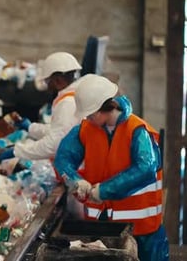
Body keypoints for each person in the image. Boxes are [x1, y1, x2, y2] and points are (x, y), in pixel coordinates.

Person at [54, 74, 169, 261]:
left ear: (104, 109)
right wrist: (75, 181)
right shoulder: (86, 129)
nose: (88, 119)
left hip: (141, 228)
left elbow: (145, 169)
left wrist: (105, 190)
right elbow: (63, 158)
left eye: (90, 114)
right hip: (103, 227)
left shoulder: (137, 130)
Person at [0, 52, 83, 165]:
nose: (47, 86)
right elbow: (61, 131)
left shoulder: (68, 103)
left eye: (48, 81)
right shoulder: (75, 95)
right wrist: (31, 128)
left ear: (58, 80)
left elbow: (54, 144)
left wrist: (18, 151)